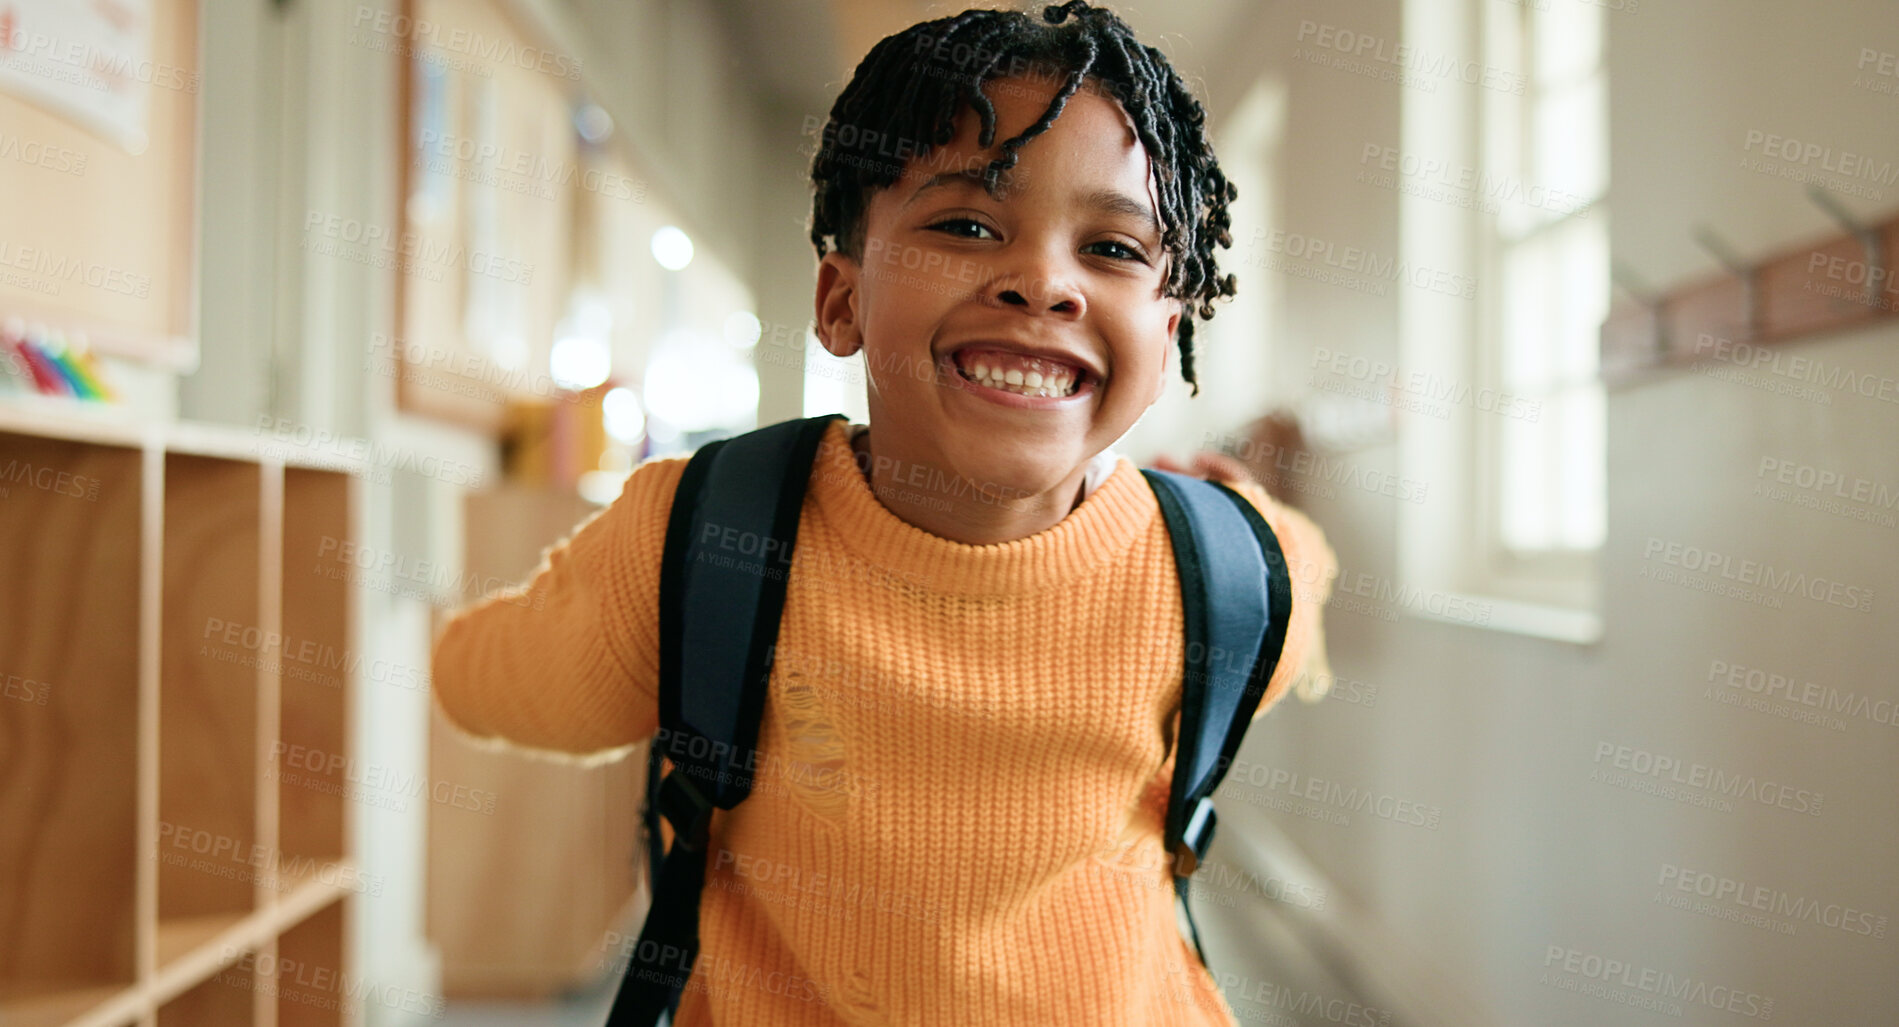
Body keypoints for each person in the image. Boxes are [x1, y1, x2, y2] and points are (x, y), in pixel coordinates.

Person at [432, 4, 1339, 1023]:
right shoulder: (699, 540)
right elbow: (491, 680)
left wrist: (1234, 514)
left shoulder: (1222, 567)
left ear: (1168, 332)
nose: (1045, 283)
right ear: (840, 302)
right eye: (967, 226)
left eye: (1113, 248)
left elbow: (1295, 582)